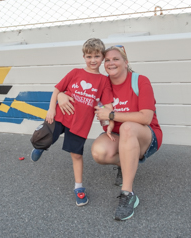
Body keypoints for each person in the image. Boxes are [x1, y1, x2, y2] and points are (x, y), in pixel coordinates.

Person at [57, 45, 162, 220]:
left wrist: (112, 114)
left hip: (146, 136)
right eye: (107, 60)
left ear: (126, 62)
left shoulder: (140, 80)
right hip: (121, 137)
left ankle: (128, 194)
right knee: (98, 152)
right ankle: (125, 164)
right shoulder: (103, 84)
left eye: (116, 59)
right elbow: (79, 94)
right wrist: (61, 94)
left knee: (128, 126)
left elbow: (146, 117)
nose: (111, 63)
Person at [30, 38, 114, 206]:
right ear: (84, 57)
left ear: (102, 57)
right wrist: (51, 109)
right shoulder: (75, 72)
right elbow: (57, 89)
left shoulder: (104, 81)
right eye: (89, 56)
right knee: (44, 136)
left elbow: (108, 104)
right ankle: (41, 147)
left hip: (80, 123)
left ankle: (78, 187)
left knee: (76, 154)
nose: (92, 60)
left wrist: (110, 122)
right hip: (61, 114)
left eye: (96, 56)